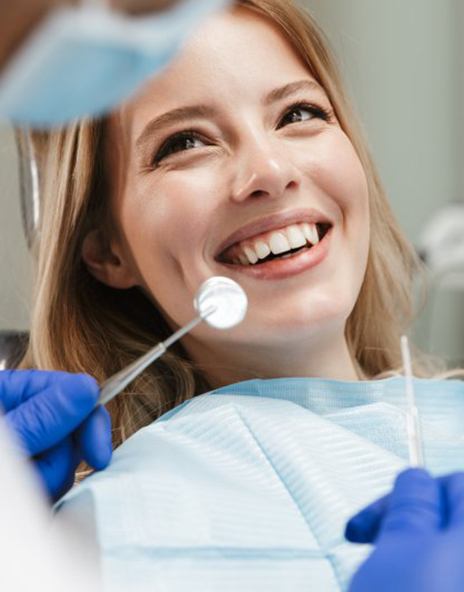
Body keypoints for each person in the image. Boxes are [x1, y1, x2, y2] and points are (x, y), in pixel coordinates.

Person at [9, 0, 464, 590]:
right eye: (184, 143)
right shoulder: (80, 540)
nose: (270, 171)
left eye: (299, 112)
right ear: (106, 252)